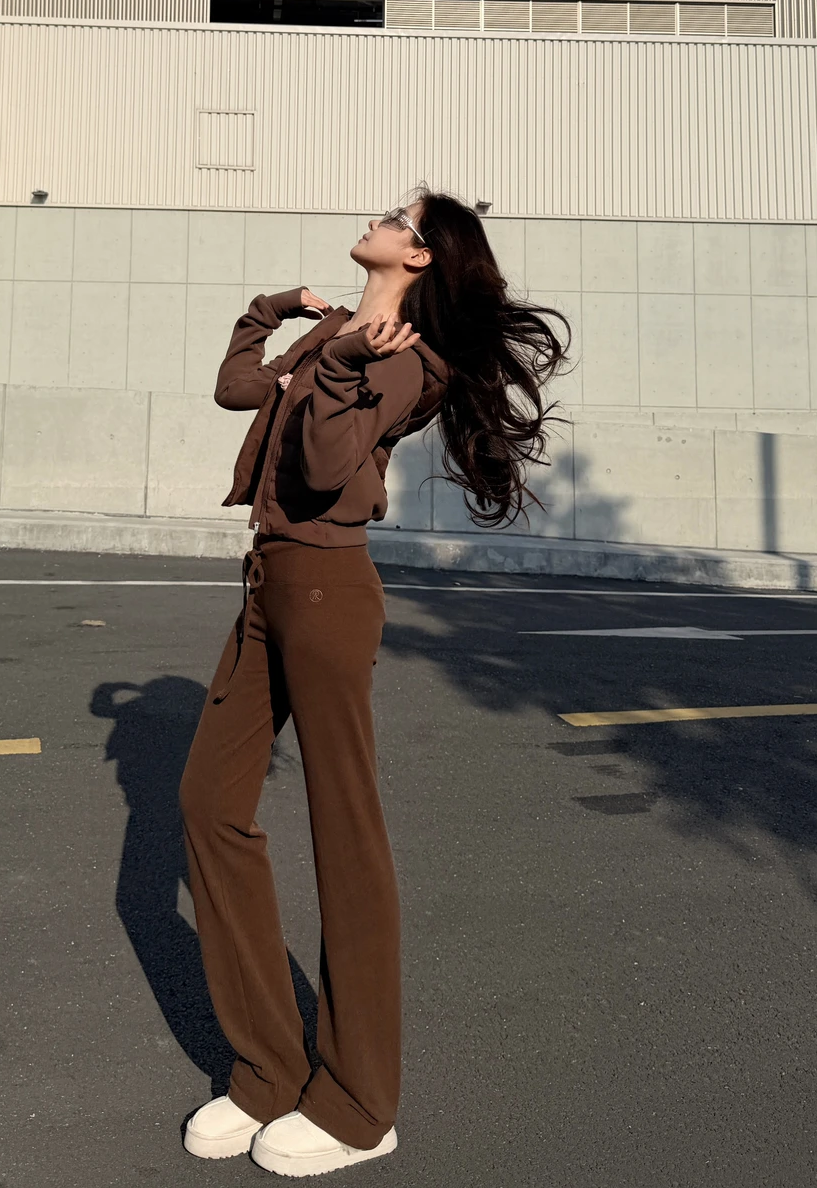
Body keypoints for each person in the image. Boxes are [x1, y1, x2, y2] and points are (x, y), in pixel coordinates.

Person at [179, 188, 569, 1176]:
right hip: (270, 582)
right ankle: (269, 1068)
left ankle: (359, 1102)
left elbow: (324, 467)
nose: (378, 218)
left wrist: (349, 364)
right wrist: (274, 310)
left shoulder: (402, 357)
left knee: (344, 833)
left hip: (326, 589)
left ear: (421, 255)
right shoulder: (343, 333)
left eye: (398, 216)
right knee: (209, 804)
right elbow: (237, 390)